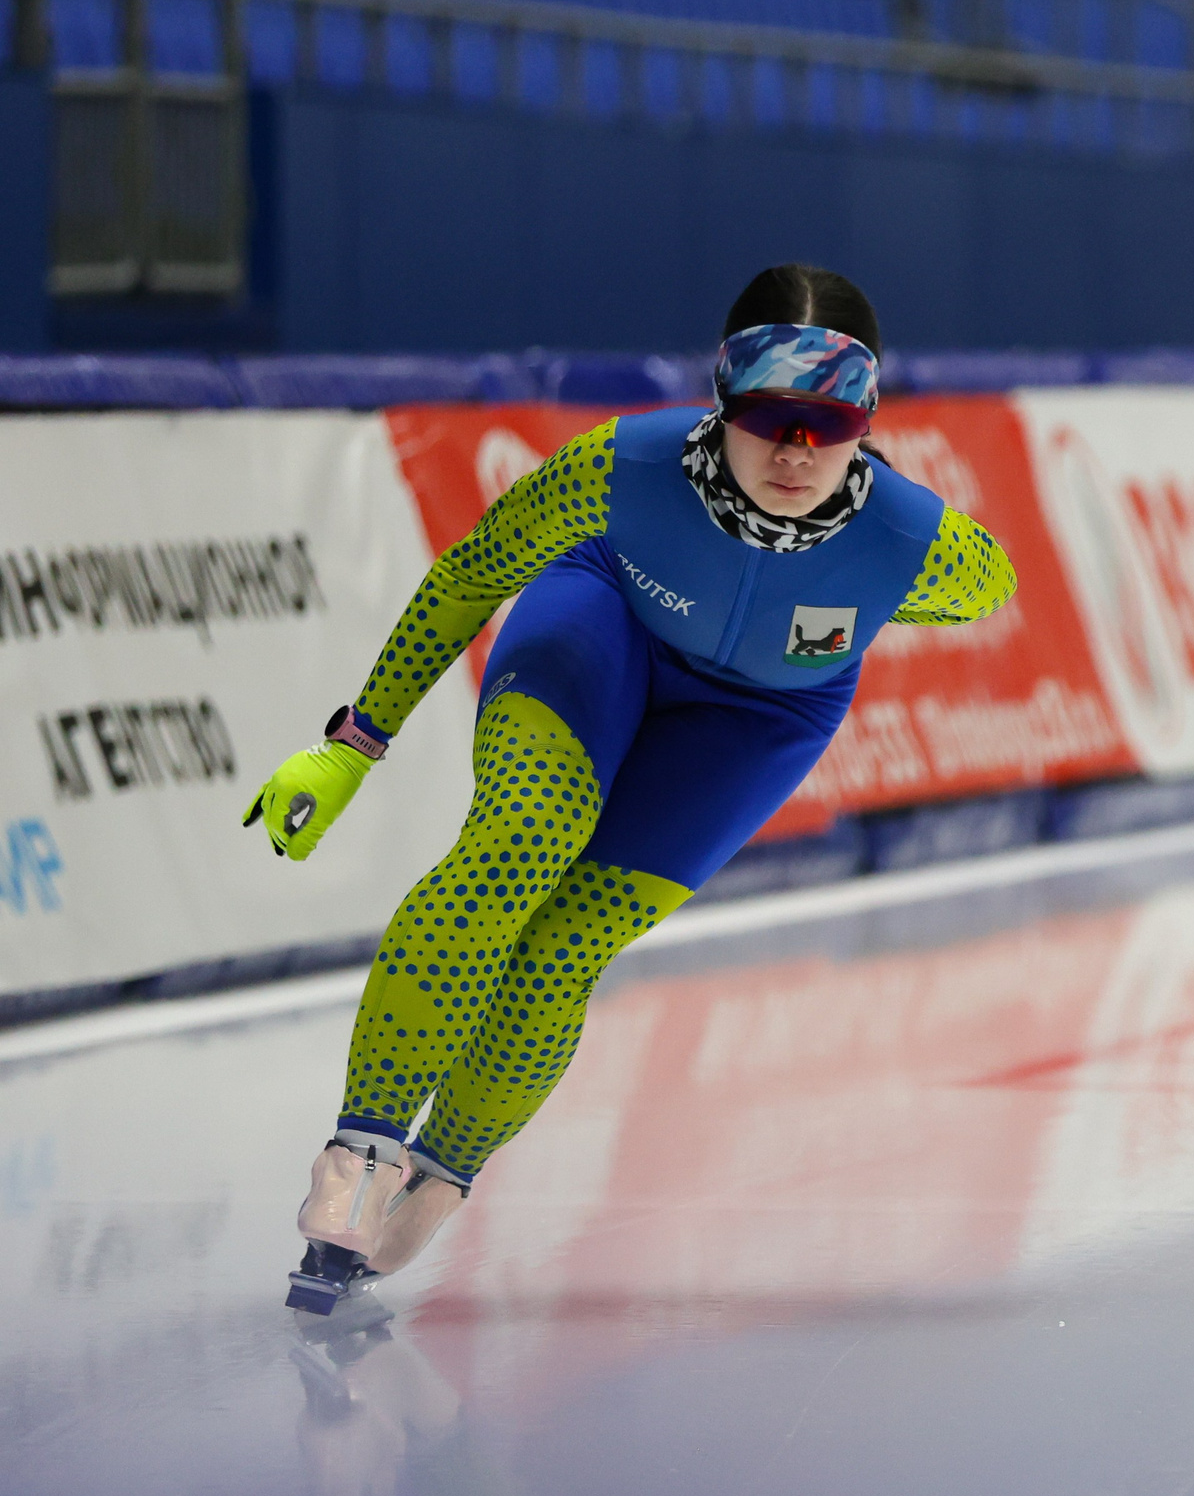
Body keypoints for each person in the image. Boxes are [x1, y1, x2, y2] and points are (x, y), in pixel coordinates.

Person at [245, 264, 1016, 1314]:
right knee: (517, 847)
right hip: (602, 625)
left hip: (756, 722)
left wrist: (845, 589)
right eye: (769, 415)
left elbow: (984, 593)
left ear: (867, 422)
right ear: (722, 397)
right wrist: (355, 741)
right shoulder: (621, 467)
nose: (795, 451)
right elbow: (473, 572)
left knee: (567, 945)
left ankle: (444, 1166)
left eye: (827, 422)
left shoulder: (921, 546)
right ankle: (363, 1146)